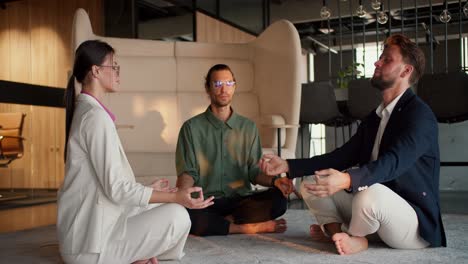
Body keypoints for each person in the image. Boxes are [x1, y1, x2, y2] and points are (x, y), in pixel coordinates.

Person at [260, 34, 446, 255]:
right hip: (374, 212)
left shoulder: (420, 116)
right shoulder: (375, 118)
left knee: (369, 193)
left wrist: (348, 179)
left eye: (387, 60)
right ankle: (337, 233)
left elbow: (393, 162)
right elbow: (340, 157)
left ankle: (357, 238)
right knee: (312, 183)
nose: (377, 62)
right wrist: (288, 166)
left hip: (412, 223)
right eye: (380, 57)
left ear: (406, 71)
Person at [57, 40, 214, 264]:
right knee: (177, 213)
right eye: (114, 66)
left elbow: (104, 187)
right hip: (89, 249)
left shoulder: (90, 112)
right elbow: (116, 190)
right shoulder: (94, 118)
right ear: (96, 71)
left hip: (91, 234)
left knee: (161, 204)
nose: (118, 73)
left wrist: (149, 191)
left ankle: (138, 253)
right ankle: (136, 254)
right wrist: (176, 196)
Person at [175, 64, 293, 236]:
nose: (224, 89)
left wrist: (276, 181)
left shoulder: (248, 127)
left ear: (235, 86)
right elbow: (187, 172)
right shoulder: (191, 128)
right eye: (217, 84)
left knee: (279, 200)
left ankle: (224, 224)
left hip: (241, 202)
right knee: (184, 215)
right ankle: (244, 227)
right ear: (207, 88)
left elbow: (254, 171)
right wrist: (182, 196)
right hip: (207, 202)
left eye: (229, 83)